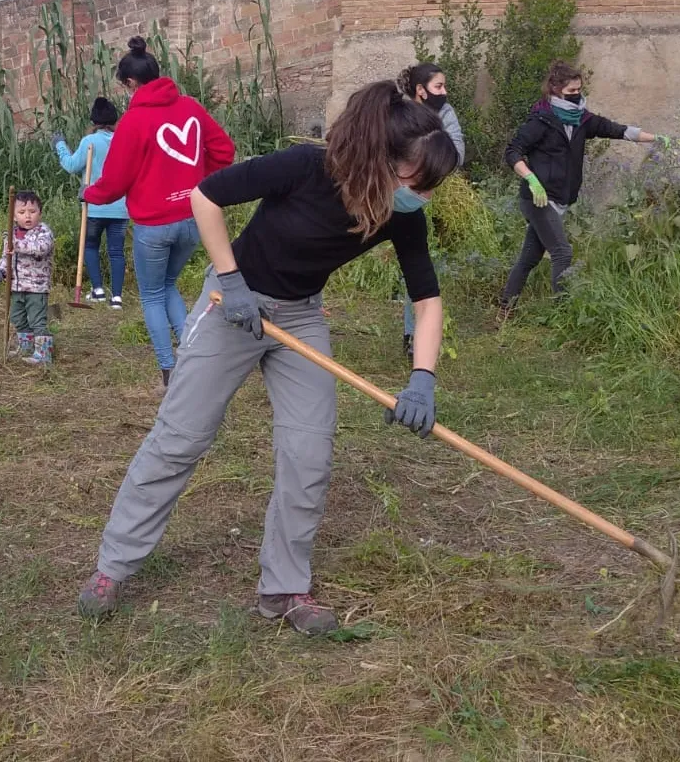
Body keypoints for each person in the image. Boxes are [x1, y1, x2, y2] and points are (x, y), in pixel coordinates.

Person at [77, 81, 458, 636]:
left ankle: (283, 587)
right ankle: (113, 567)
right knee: (180, 437)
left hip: (299, 318)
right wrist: (231, 281)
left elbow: (426, 301)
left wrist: (422, 378)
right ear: (381, 158)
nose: (421, 197)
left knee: (309, 452)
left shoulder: (401, 215)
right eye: (416, 182)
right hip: (232, 305)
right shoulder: (306, 168)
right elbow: (206, 196)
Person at [84, 37, 235, 385]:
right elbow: (224, 152)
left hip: (153, 226)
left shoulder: (133, 121)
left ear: (130, 83)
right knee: (168, 285)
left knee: (152, 294)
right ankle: (193, 356)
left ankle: (169, 368)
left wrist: (89, 194)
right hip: (193, 219)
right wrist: (199, 184)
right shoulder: (191, 108)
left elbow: (114, 183)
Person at [497, 61, 676, 313]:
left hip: (560, 197)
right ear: (556, 89)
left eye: (579, 89)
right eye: (571, 91)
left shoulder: (582, 120)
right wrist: (531, 179)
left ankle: (506, 307)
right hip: (538, 198)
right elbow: (513, 151)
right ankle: (562, 313)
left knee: (529, 258)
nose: (576, 95)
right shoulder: (541, 120)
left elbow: (619, 130)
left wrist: (656, 139)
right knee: (562, 252)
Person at [398, 62, 466, 362]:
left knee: (421, 266)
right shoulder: (401, 113)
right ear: (420, 90)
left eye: (444, 86)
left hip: (430, 195)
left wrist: (426, 165)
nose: (444, 92)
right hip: (398, 194)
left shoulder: (445, 113)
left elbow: (458, 152)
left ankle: (415, 334)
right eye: (438, 86)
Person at [52, 97, 128, 309]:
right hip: (120, 206)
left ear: (94, 121)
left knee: (90, 245)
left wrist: (60, 145)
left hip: (94, 205)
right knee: (116, 251)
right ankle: (117, 297)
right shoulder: (123, 140)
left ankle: (98, 290)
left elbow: (71, 165)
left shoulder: (89, 141)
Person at [0, 191, 56, 365]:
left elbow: (41, 248)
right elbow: (6, 260)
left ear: (40, 213)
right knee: (17, 317)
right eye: (22, 212)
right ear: (14, 216)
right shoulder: (11, 235)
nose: (28, 216)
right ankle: (26, 346)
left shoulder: (43, 232)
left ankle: (43, 354)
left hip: (36, 288)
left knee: (37, 320)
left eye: (32, 211)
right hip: (16, 287)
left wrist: (16, 245)